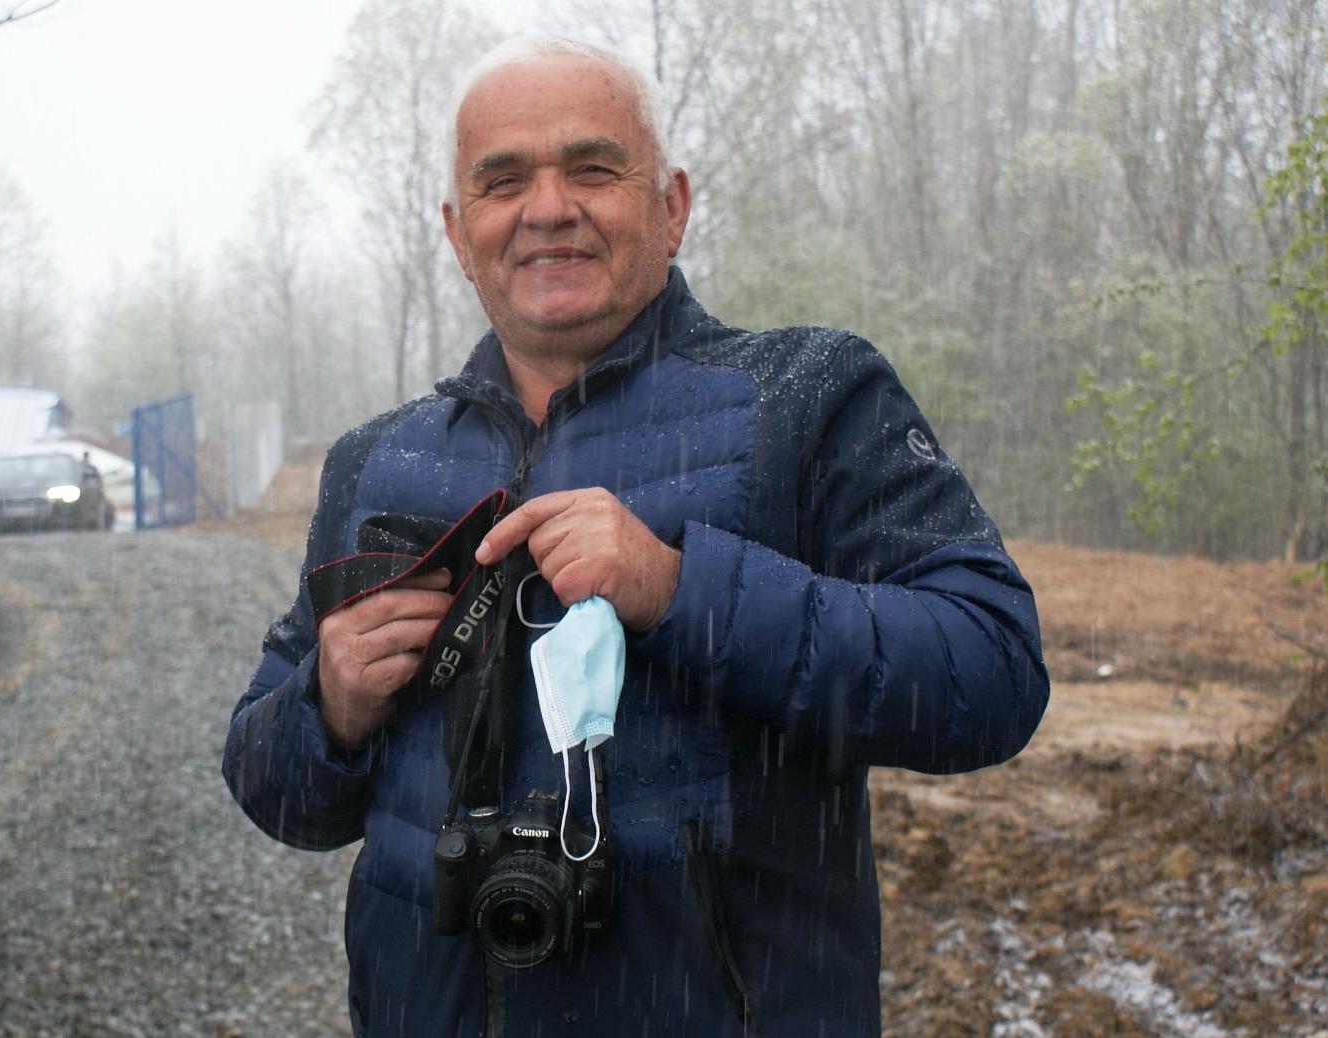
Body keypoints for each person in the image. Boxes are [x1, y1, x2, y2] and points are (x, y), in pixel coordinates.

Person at [224, 34, 1050, 1037]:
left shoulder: (805, 400)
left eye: (591, 167)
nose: (547, 207)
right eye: (503, 181)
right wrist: (329, 702)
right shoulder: (376, 463)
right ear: (456, 229)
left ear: (671, 203)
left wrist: (679, 590)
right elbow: (276, 793)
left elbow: (990, 674)